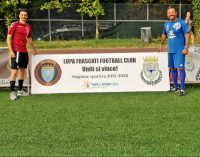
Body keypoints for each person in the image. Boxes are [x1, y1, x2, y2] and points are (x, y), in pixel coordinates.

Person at [159, 6, 190, 96]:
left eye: (172, 12)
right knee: (172, 68)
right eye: (169, 13)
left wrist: (186, 48)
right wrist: (161, 44)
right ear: (167, 14)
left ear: (176, 13)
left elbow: (187, 35)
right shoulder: (166, 24)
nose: (171, 14)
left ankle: (182, 88)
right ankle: (175, 86)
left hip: (180, 50)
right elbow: (164, 35)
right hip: (171, 50)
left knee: (180, 68)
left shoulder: (181, 23)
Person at [7, 9, 37, 100]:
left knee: (22, 70)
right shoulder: (14, 25)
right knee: (14, 71)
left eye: (25, 15)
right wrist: (11, 51)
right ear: (19, 16)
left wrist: (34, 48)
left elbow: (30, 39)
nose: (23, 17)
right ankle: (12, 92)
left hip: (24, 51)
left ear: (27, 16)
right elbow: (8, 38)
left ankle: (20, 90)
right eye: (22, 15)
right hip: (16, 51)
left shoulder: (28, 26)